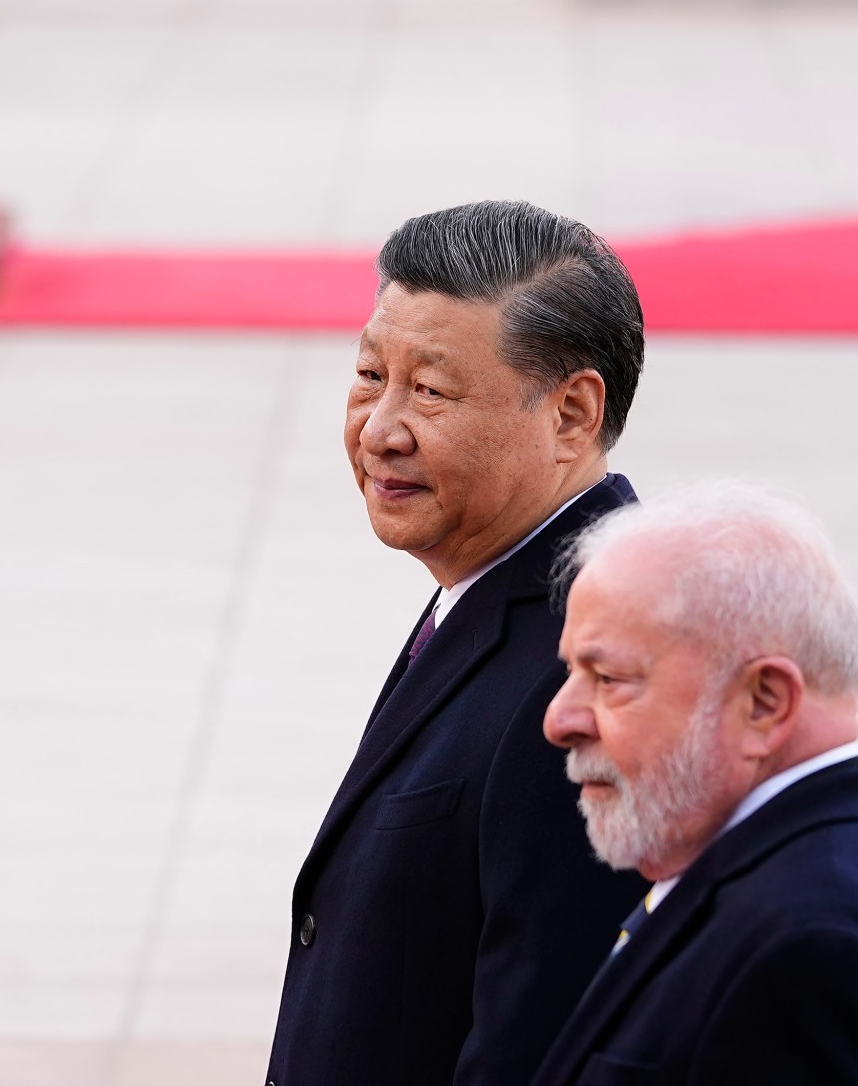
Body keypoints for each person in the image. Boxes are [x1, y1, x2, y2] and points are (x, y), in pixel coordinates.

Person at [265, 201, 651, 1086]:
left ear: (571, 414)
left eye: (431, 390)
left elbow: (544, 1036)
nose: (378, 428)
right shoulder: (486, 585)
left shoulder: (592, 660)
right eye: (370, 373)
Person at [532, 485, 858, 1086]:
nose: (560, 719)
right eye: (573, 672)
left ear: (764, 702)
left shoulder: (815, 952)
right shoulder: (813, 889)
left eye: (608, 678)